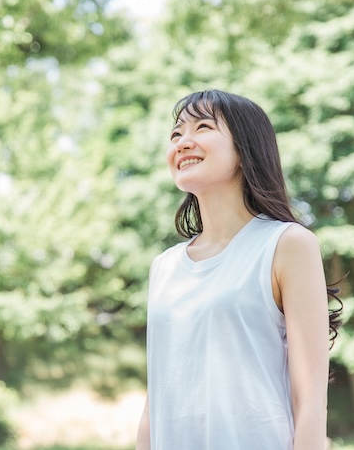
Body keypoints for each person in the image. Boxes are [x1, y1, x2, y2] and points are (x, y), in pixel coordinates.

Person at [135, 90, 341, 450]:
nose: (184, 142)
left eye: (202, 127)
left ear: (246, 150)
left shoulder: (287, 244)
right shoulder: (164, 267)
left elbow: (309, 401)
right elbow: (155, 405)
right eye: (176, 134)